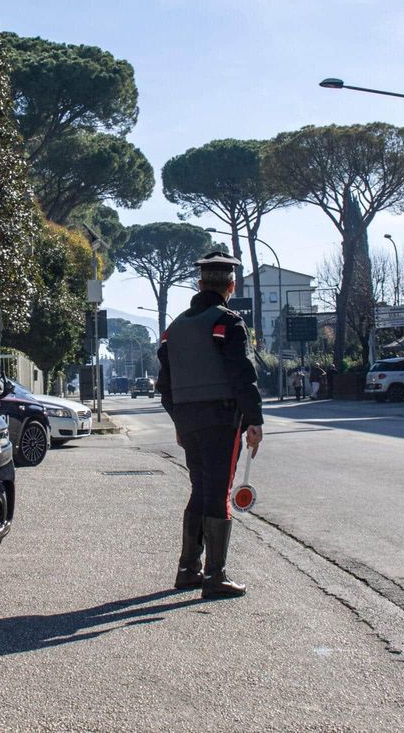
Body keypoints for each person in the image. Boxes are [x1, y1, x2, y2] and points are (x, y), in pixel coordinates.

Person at [157, 251, 264, 599]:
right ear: (230, 287)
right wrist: (254, 421)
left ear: (200, 283)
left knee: (200, 489)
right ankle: (214, 577)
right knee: (218, 492)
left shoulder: (173, 329)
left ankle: (189, 569)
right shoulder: (228, 322)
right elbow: (242, 375)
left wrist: (178, 420)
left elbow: (165, 386)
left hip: (188, 419)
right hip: (221, 420)